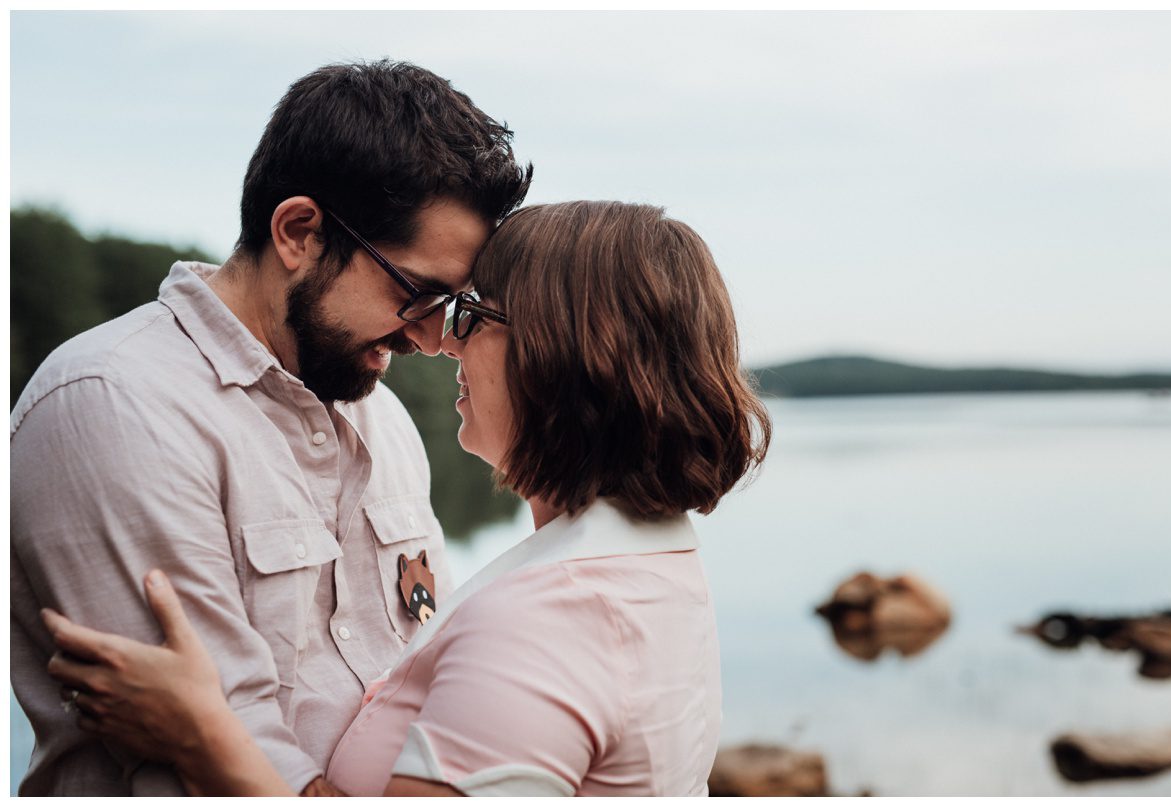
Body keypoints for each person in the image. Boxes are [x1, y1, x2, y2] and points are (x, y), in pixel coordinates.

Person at [42, 201, 772, 796]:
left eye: (472, 316)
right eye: (423, 295)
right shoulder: (655, 563)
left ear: (566, 357)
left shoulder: (548, 618)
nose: (442, 342)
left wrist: (204, 738)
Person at [10, 60, 531, 796]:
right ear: (298, 232)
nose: (428, 338)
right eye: (416, 292)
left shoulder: (382, 418)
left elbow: (427, 680)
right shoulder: (112, 405)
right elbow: (211, 754)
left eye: (448, 305)